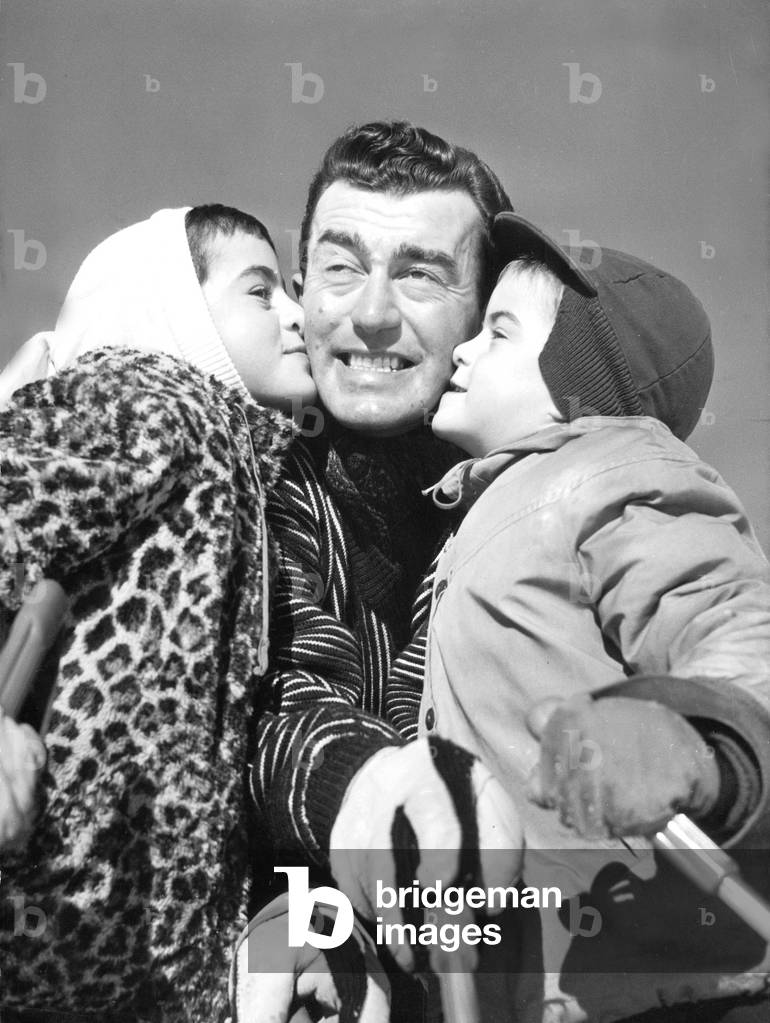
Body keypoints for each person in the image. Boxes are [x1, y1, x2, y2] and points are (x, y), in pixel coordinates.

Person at [417, 212, 770, 1021]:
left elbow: (725, 619)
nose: (465, 349)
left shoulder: (617, 467)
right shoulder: (486, 513)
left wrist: (697, 744)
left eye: (499, 333)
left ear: (578, 378)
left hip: (667, 985)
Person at [235, 121, 526, 1022]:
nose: (369, 313)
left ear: (481, 320)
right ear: (298, 293)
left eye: (420, 273)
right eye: (342, 266)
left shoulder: (526, 507)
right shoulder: (245, 476)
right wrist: (373, 794)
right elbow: (284, 700)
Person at [0, 204, 312, 1022]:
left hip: (131, 967)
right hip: (42, 922)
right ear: (169, 302)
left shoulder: (244, 463)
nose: (297, 313)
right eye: (260, 290)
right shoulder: (148, 401)